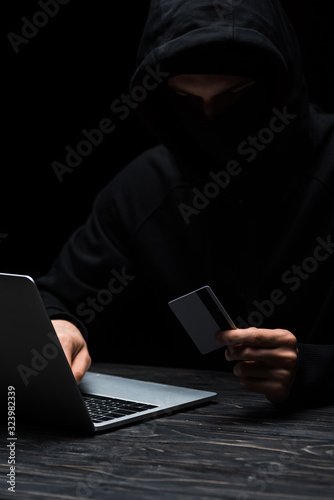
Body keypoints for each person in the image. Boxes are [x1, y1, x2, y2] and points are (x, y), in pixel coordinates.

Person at [37, 0, 334, 405]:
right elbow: (57, 297)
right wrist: (60, 325)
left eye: (235, 95)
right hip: (184, 446)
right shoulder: (145, 188)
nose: (210, 117)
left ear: (279, 84)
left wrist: (315, 368)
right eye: (186, 98)